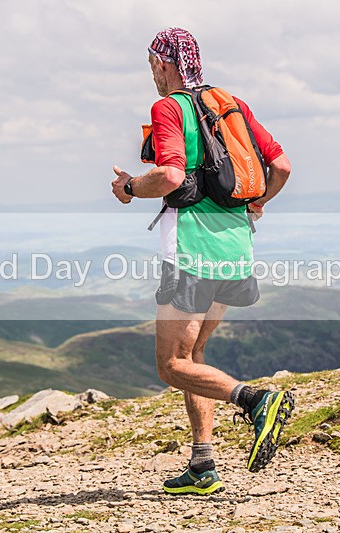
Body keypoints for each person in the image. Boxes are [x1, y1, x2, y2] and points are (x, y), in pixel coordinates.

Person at [111, 27, 294, 495]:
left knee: (171, 364)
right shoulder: (228, 101)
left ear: (164, 64)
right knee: (195, 356)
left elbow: (171, 176)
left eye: (152, 63)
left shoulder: (169, 107)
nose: (151, 72)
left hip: (192, 250)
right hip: (235, 248)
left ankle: (255, 401)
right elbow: (282, 166)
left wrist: (131, 187)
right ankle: (203, 465)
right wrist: (259, 203)